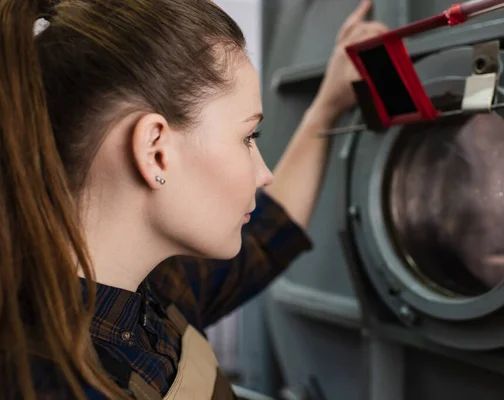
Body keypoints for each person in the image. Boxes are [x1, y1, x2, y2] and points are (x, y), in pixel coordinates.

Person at [0, 0, 388, 398]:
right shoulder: (51, 384)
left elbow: (263, 238)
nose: (263, 174)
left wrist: (326, 109)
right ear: (156, 151)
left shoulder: (156, 291)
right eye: (247, 138)